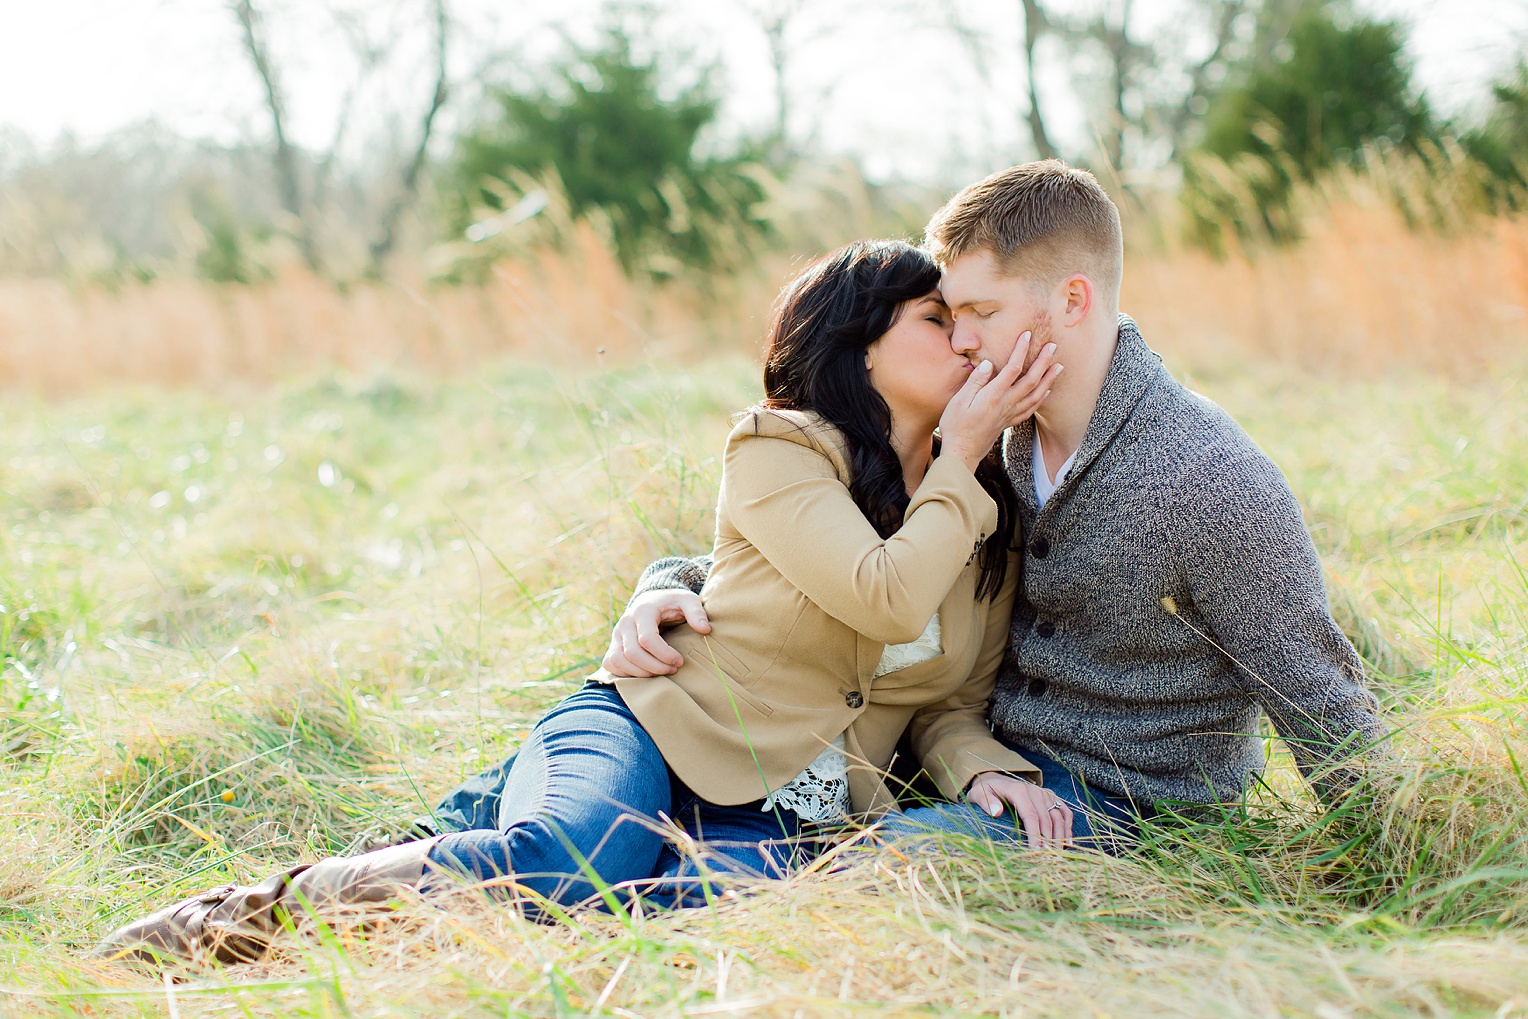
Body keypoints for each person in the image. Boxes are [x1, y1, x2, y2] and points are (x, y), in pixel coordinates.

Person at [92, 239, 1069, 967]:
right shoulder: (780, 451)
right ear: (858, 348)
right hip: (651, 720)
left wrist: (983, 769)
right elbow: (886, 598)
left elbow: (940, 695)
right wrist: (960, 455)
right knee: (569, 862)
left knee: (701, 900)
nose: (967, 340)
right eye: (936, 320)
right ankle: (253, 912)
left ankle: (437, 860)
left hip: (786, 806)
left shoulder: (978, 519)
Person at [606, 160, 1387, 849]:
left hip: (1128, 801)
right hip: (968, 763)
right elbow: (824, 544)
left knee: (864, 873)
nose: (963, 342)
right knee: (824, 849)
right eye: (947, 316)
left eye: (981, 313)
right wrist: (667, 583)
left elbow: (1318, 690)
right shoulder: (995, 441)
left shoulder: (1208, 478)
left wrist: (1392, 870)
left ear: (1073, 299)